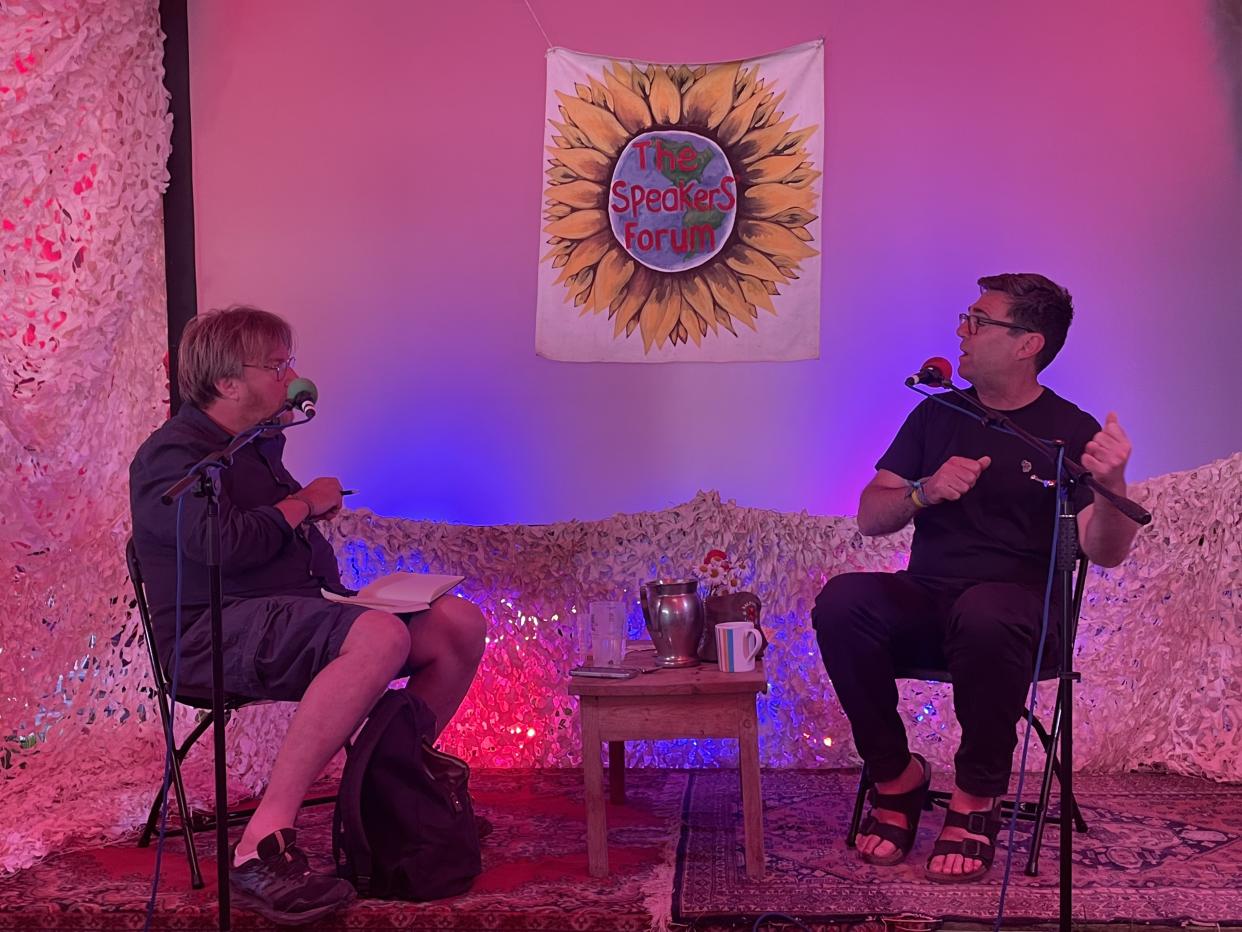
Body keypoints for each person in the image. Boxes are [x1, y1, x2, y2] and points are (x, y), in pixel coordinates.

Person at [129, 306, 487, 924]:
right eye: (277, 364)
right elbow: (222, 544)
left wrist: (344, 589)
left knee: (457, 622)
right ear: (227, 382)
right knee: (376, 637)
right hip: (212, 633)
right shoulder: (171, 456)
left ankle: (392, 791)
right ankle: (260, 846)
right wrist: (302, 503)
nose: (292, 376)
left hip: (297, 613)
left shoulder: (258, 446)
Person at [812, 273, 1138, 883]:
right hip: (931, 599)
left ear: (1027, 344)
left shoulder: (1071, 430)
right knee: (842, 601)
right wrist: (923, 490)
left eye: (978, 321)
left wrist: (1114, 486)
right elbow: (869, 515)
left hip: (1018, 616)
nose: (961, 332)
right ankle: (896, 776)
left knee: (988, 610)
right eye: (966, 317)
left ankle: (974, 797)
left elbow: (1105, 550)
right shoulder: (936, 414)